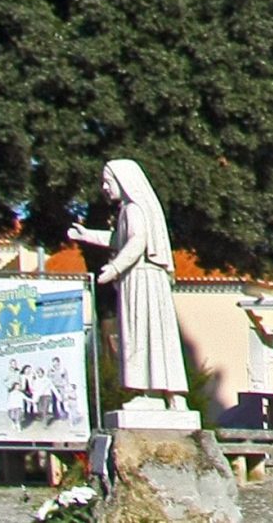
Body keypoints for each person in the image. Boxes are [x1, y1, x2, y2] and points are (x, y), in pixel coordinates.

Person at [69, 158, 189, 410]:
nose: (104, 187)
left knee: (143, 332)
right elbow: (120, 239)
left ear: (123, 182)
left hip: (141, 280)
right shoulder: (129, 210)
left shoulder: (133, 209)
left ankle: (153, 394)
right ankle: (159, 394)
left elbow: (136, 242)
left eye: (108, 181)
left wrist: (114, 268)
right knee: (147, 334)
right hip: (140, 279)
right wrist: (87, 235)